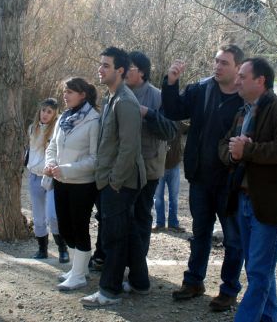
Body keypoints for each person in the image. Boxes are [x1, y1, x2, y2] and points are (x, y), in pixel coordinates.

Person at [161, 44, 245, 311]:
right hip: (200, 179)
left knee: (233, 239)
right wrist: (171, 83)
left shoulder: (247, 98)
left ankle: (229, 290)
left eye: (224, 63)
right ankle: (194, 281)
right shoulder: (200, 90)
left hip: (230, 183)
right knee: (200, 234)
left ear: (238, 68)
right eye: (216, 61)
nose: (217, 67)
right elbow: (174, 111)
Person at [218, 57, 277, 322]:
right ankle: (267, 318)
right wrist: (233, 154)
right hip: (241, 200)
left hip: (265, 203)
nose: (237, 80)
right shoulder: (243, 111)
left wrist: (247, 150)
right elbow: (225, 145)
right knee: (259, 269)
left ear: (260, 80)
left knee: (258, 271)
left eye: (243, 76)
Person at [80, 46, 146, 307]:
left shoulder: (126, 101)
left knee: (114, 237)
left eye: (106, 65)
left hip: (121, 182)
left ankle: (109, 291)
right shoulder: (111, 97)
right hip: (116, 180)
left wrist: (114, 182)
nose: (100, 69)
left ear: (120, 70)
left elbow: (129, 148)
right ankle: (140, 282)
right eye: (100, 64)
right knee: (128, 232)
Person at [124, 50, 177, 293]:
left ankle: (138, 273)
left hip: (149, 167)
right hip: (122, 168)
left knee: (141, 218)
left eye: (130, 68)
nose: (124, 72)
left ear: (142, 72)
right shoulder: (117, 92)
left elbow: (170, 131)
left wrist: (149, 114)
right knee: (122, 218)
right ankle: (125, 266)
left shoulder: (157, 96)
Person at [44, 77, 100, 291]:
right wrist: (50, 163)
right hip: (60, 181)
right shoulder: (63, 118)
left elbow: (95, 159)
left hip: (83, 184)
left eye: (70, 91)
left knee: (79, 228)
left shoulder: (94, 120)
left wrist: (66, 168)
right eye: (64, 91)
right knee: (65, 228)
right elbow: (52, 147)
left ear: (83, 95)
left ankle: (78, 275)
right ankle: (80, 269)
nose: (65, 95)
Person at [26, 98, 68, 263]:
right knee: (38, 217)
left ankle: (62, 248)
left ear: (55, 114)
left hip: (51, 178)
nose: (45, 114)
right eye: (43, 110)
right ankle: (42, 249)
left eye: (49, 111)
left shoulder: (57, 131)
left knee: (53, 216)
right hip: (34, 176)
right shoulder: (32, 129)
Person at [153, 122, 188, 233]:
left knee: (174, 197)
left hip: (174, 165)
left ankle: (173, 223)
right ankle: (159, 223)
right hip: (159, 166)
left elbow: (190, 127)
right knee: (158, 197)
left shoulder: (178, 123)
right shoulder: (157, 121)